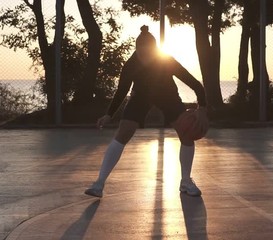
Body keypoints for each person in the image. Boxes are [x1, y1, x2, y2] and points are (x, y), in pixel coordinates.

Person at [85, 25, 208, 198]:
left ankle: (186, 181)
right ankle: (99, 183)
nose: (145, 57)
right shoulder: (131, 65)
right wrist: (109, 114)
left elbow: (196, 85)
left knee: (186, 133)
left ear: (155, 50)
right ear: (136, 51)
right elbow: (121, 91)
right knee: (123, 132)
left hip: (167, 95)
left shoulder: (167, 61)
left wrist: (201, 109)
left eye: (149, 53)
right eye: (141, 53)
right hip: (141, 96)